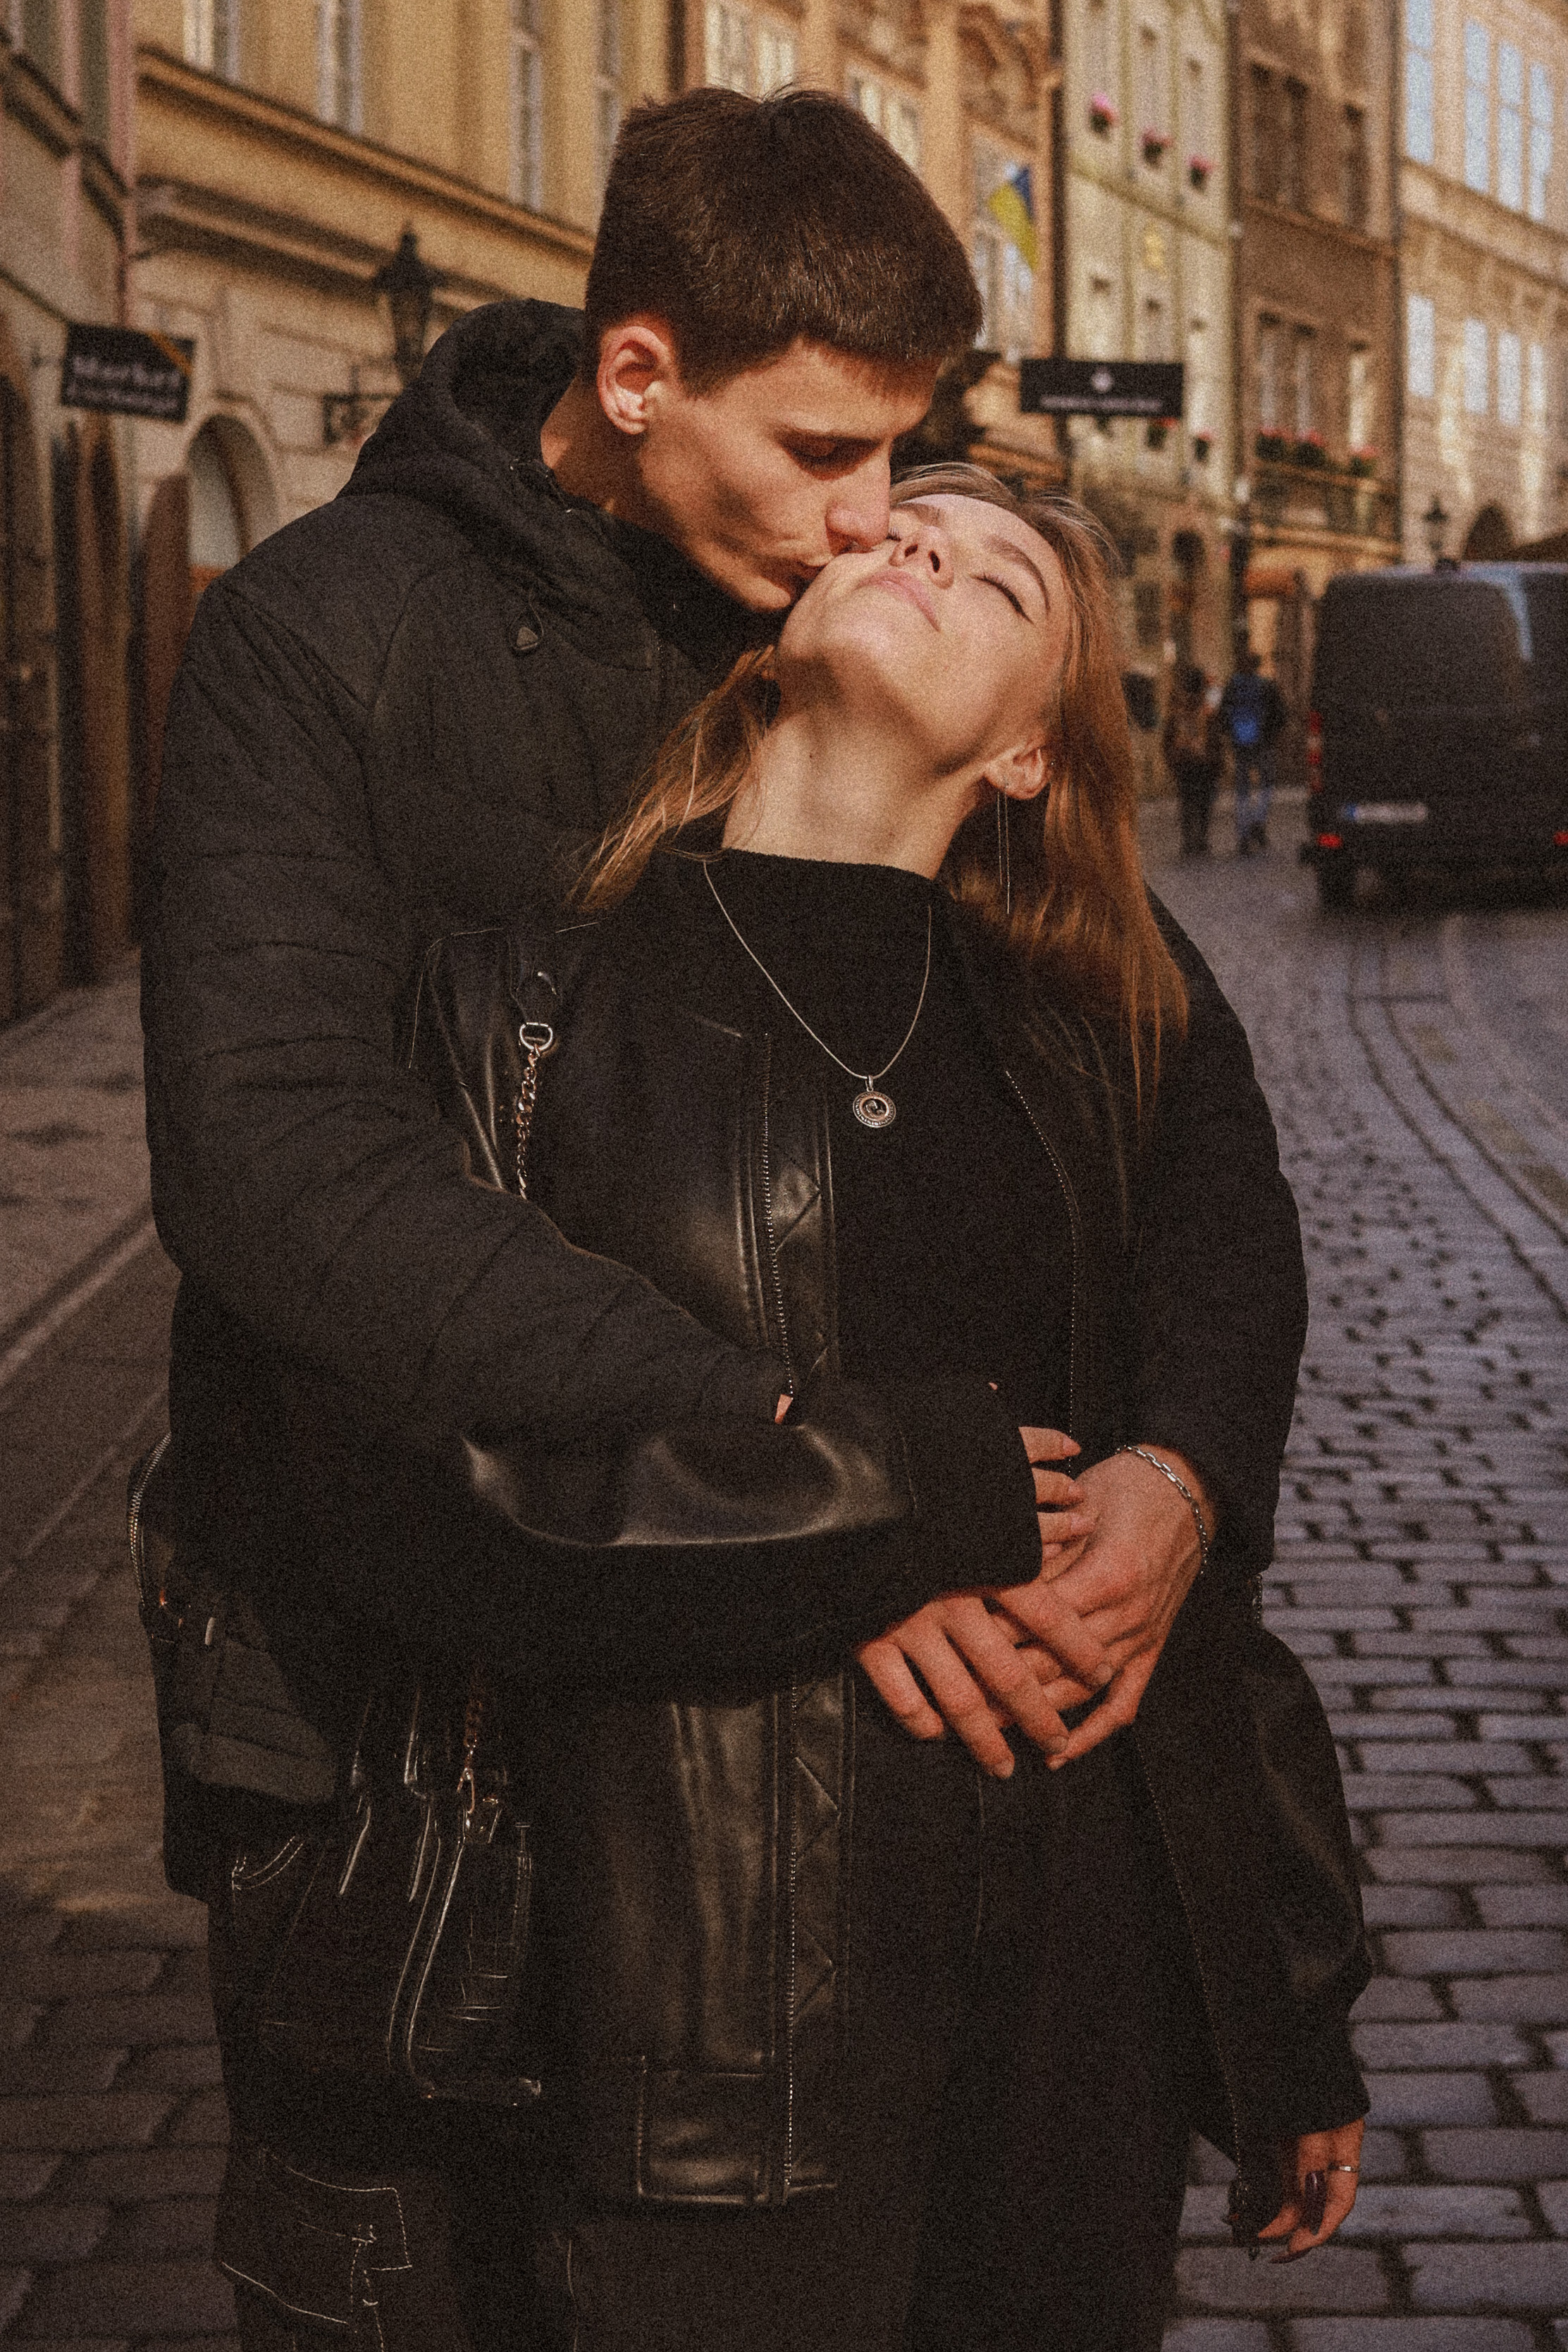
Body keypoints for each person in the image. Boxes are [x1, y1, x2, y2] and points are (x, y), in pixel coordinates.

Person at [140, 85, 1334, 2348]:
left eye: (908, 455)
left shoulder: (815, 612)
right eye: (825, 452)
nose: (878, 518)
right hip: (424, 1708)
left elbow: (1178, 1113)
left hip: (878, 1844)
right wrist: (812, 1463)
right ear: (636, 378)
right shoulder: (334, 632)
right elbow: (283, 1168)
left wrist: (1184, 1468)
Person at [359, 467, 1365, 2351]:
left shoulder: (1096, 1011)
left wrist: (1282, 2000)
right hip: (710, 2004)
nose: (916, 547)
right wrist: (856, 1521)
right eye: (904, 529)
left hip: (1076, 2003)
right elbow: (434, 1475)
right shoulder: (527, 999)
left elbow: (1223, 1321)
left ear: (1026, 754)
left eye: (994, 581)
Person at [1218, 646, 1288, 856]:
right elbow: (1280, 715)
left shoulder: (1232, 686)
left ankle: (1243, 833)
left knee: (1242, 790)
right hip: (1264, 744)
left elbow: (1223, 715)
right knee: (1267, 784)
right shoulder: (1267, 686)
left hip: (1240, 745)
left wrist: (1231, 735)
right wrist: (1273, 736)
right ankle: (1258, 820)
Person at [1163, 661, 1223, 855]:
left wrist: (1171, 761)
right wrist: (1218, 763)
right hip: (1204, 763)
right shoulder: (1208, 711)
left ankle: (1189, 840)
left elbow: (1167, 739)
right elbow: (1216, 740)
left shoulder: (1177, 712)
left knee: (1187, 802)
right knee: (1204, 803)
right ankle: (1202, 839)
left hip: (1184, 763)